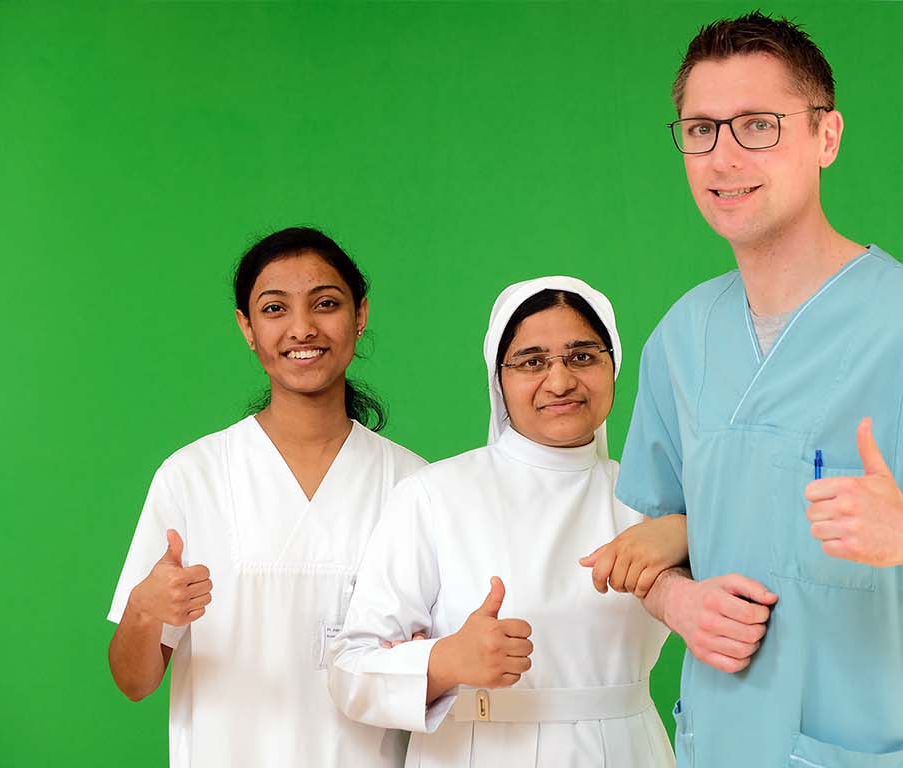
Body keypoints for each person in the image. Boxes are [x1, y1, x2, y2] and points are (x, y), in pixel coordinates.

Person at [600, 12, 903, 767]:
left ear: (825, 136)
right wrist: (676, 599)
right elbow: (659, 539)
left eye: (758, 126)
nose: (724, 156)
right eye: (700, 129)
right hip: (719, 741)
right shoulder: (682, 337)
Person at [106, 226, 427, 767]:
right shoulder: (192, 476)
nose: (302, 328)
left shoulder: (412, 485)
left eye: (325, 304)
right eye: (275, 308)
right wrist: (143, 610)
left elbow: (435, 678)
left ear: (360, 315)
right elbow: (135, 682)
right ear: (247, 328)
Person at [329, 276, 680, 766]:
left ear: (613, 365)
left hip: (626, 751)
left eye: (582, 356)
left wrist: (685, 532)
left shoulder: (653, 503)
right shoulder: (435, 495)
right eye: (532, 361)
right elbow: (350, 671)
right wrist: (445, 661)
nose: (559, 381)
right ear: (499, 379)